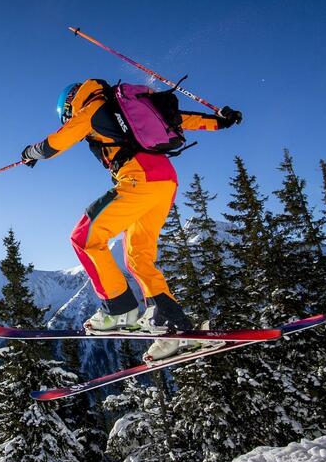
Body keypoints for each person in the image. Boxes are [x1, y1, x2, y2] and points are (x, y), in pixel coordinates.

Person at [21, 79, 242, 362]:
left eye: (66, 114)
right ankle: (171, 324)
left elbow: (57, 142)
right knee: (139, 257)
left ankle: (118, 308)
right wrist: (221, 122)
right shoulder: (132, 107)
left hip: (139, 178)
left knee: (85, 238)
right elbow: (183, 119)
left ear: (70, 104)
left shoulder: (91, 109)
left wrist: (31, 153)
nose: (68, 118)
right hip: (166, 181)